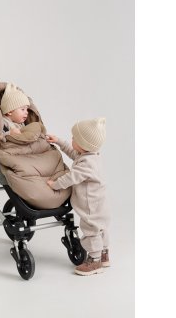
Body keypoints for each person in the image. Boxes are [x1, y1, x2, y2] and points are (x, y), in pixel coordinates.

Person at [46, 117, 110, 276]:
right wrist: (59, 142)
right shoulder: (91, 156)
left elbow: (71, 177)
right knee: (101, 227)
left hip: (90, 205)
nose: (72, 140)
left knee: (91, 230)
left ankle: (94, 262)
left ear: (84, 144)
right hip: (99, 201)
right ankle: (104, 255)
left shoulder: (86, 164)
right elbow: (73, 153)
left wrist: (55, 184)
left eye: (74, 138)